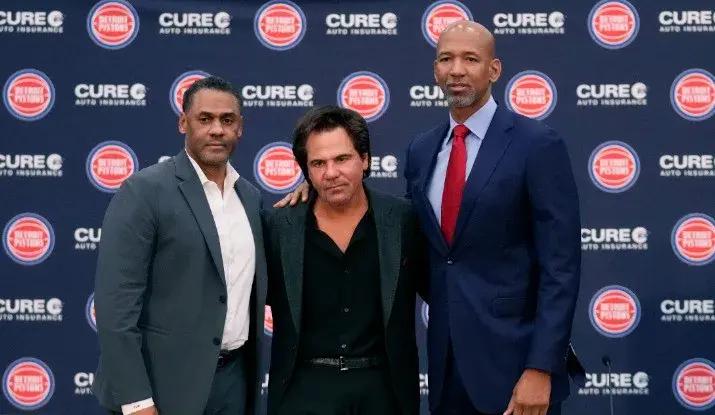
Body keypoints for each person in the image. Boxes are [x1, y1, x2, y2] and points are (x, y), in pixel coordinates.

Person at [277, 21, 583, 415]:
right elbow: (410, 242)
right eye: (446, 59)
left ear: (494, 69)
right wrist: (315, 188)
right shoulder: (422, 150)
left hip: (515, 364)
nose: (456, 70)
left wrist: (542, 366)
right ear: (435, 71)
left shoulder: (536, 144)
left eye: (470, 59)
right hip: (446, 365)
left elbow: (561, 267)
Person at [93, 76, 267, 415]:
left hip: (233, 384)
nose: (217, 129)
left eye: (227, 120)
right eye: (205, 119)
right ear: (183, 123)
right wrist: (137, 400)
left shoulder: (250, 198)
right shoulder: (144, 191)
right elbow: (116, 308)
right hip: (162, 386)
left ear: (240, 128)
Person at [263, 106, 425, 415]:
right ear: (306, 171)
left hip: (384, 392)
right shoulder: (279, 227)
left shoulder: (403, 221)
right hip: (303, 393)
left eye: (342, 159)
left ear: (365, 160)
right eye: (318, 163)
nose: (331, 173)